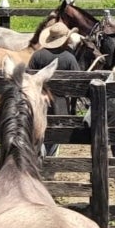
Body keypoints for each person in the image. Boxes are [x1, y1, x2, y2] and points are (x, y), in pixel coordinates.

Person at [28, 22, 81, 157]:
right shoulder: (69, 58)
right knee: (55, 137)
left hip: (39, 102)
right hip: (60, 104)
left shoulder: (37, 56)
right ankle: (51, 160)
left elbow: (30, 78)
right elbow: (78, 83)